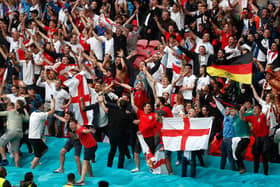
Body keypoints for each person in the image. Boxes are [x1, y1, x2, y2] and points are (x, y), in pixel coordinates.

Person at [241, 104, 271, 175]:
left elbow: (266, 111)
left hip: (265, 139)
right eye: (253, 108)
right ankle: (255, 173)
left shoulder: (263, 116)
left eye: (256, 108)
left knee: (264, 157)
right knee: (256, 157)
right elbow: (242, 118)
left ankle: (266, 174)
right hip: (257, 139)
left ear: (260, 110)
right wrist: (241, 111)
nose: (254, 110)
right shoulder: (251, 117)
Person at [0, 100, 29, 167]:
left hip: (11, 131)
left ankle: (4, 159)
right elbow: (27, 119)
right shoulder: (21, 114)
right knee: (15, 151)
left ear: (10, 107)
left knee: (0, 143)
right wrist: (25, 111)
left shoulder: (10, 111)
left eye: (7, 106)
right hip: (19, 133)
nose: (6, 108)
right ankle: (17, 166)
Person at [28, 97, 55, 169]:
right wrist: (54, 101)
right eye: (42, 106)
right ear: (40, 107)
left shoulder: (33, 113)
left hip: (33, 137)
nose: (43, 107)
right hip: (35, 138)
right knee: (37, 155)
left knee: (45, 149)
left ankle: (36, 161)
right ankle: (32, 168)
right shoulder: (40, 115)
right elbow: (52, 111)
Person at [69, 119, 97, 185]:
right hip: (90, 146)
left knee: (84, 162)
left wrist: (90, 130)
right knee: (87, 162)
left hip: (90, 146)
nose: (71, 126)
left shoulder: (80, 130)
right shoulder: (78, 127)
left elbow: (85, 131)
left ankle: (82, 180)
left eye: (72, 125)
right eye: (70, 125)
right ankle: (91, 175)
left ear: (76, 124)